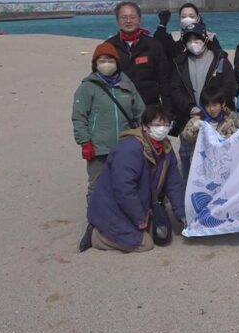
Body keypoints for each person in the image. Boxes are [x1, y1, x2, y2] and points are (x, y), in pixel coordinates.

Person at [78, 105, 186, 253]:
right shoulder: (129, 149)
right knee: (145, 244)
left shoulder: (165, 148)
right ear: (145, 127)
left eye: (166, 124)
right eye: (157, 124)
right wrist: (139, 219)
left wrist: (182, 214)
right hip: (114, 207)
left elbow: (173, 183)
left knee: (162, 236)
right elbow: (124, 189)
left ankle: (136, 226)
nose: (162, 128)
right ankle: (96, 236)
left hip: (142, 203)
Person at [72, 42, 146, 210]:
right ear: (95, 64)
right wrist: (85, 142)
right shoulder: (87, 87)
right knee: (97, 186)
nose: (107, 64)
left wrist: (143, 136)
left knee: (126, 184)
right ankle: (94, 222)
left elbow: (140, 112)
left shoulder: (127, 84)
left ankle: (123, 218)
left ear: (117, 63)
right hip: (99, 148)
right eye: (102, 60)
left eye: (110, 60)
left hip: (126, 146)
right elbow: (79, 117)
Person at [170, 22, 237, 178]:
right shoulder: (180, 63)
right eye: (189, 39)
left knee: (217, 157)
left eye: (197, 38)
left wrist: (215, 107)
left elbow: (229, 86)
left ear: (205, 38)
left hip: (217, 119)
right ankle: (188, 187)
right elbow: (175, 89)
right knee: (187, 156)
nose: (193, 43)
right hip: (190, 119)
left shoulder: (220, 60)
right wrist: (191, 108)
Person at [105, 1, 172, 109]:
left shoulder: (153, 45)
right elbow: (101, 79)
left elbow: (164, 80)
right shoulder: (109, 46)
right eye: (124, 17)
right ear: (117, 20)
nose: (128, 21)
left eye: (132, 17)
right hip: (120, 107)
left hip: (150, 107)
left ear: (139, 19)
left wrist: (167, 110)